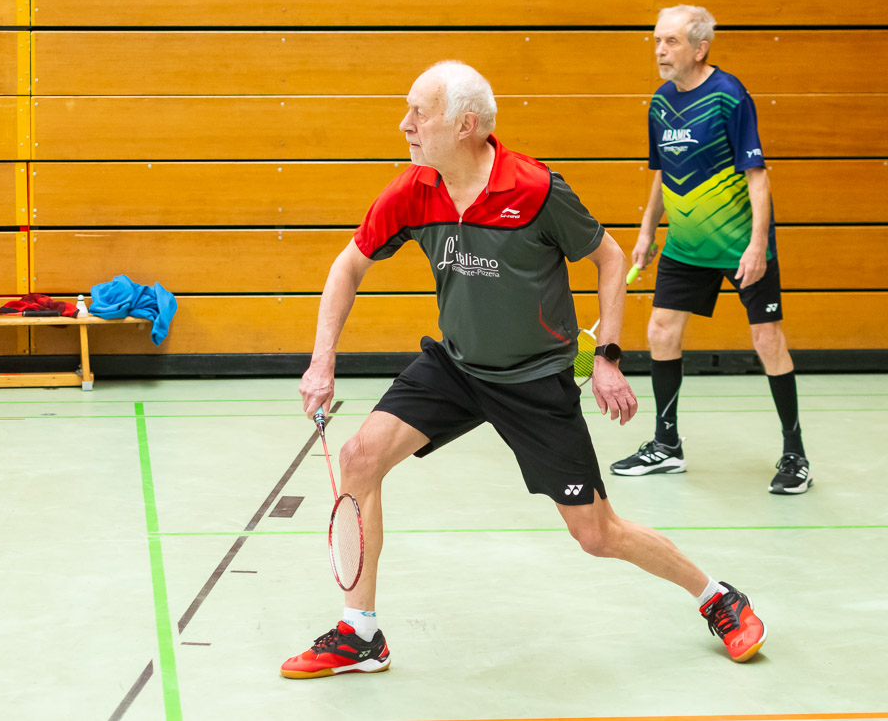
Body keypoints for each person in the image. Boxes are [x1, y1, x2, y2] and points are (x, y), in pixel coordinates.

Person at [280, 61, 766, 679]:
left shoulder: (534, 190)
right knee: (359, 458)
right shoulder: (413, 190)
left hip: (535, 380)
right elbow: (348, 265)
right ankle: (360, 634)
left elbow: (610, 259)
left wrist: (607, 358)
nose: (405, 124)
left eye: (418, 113)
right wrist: (322, 361)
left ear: (465, 125)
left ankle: (717, 597)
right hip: (458, 366)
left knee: (597, 533)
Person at [609, 5, 810, 495]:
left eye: (671, 41)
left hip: (741, 244)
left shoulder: (729, 96)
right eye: (657, 41)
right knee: (661, 332)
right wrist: (646, 232)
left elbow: (757, 177)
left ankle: (795, 454)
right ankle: (667, 445)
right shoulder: (660, 103)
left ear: (700, 49)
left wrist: (758, 245)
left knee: (768, 341)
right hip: (685, 246)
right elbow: (663, 173)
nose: (660, 51)